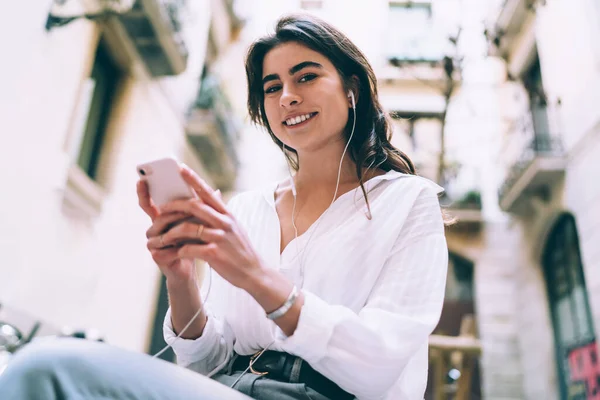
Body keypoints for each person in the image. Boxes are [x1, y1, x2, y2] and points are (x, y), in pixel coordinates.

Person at [0, 13, 448, 400]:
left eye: (306, 76)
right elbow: (207, 361)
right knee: (39, 369)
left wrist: (256, 277)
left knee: (49, 369)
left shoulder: (409, 202)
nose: (287, 96)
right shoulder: (249, 209)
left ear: (352, 88)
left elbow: (377, 363)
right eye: (272, 87)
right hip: (228, 388)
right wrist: (180, 278)